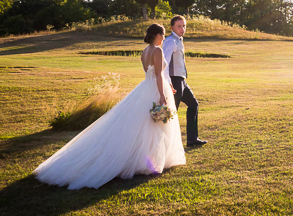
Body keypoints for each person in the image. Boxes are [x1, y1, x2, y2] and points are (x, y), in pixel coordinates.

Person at [35, 23, 186, 189]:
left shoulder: (145, 51)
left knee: (147, 125)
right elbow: (158, 75)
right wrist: (163, 95)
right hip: (155, 89)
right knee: (155, 125)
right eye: (163, 35)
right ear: (157, 35)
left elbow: (148, 72)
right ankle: (148, 160)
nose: (164, 38)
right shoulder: (156, 50)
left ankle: (150, 158)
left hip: (144, 88)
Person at [162, 15, 206, 146]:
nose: (183, 29)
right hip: (174, 80)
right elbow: (164, 64)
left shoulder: (179, 40)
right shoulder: (170, 41)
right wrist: (169, 83)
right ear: (172, 28)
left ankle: (192, 139)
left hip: (181, 80)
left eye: (184, 26)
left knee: (193, 105)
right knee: (171, 112)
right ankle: (163, 143)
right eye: (179, 26)